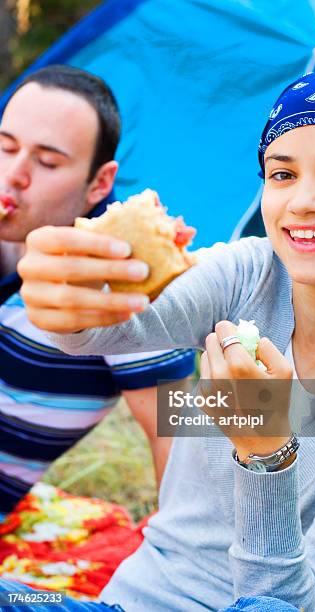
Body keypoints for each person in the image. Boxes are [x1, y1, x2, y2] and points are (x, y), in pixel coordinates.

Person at [14, 68, 315, 611]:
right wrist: (64, 301)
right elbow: (109, 329)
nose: (305, 202)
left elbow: (301, 604)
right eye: (282, 174)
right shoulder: (246, 274)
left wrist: (265, 450)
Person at [0, 64, 196, 520]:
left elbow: (178, 434)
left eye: (47, 162)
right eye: (5, 147)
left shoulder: (119, 280)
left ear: (100, 184)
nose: (13, 174)